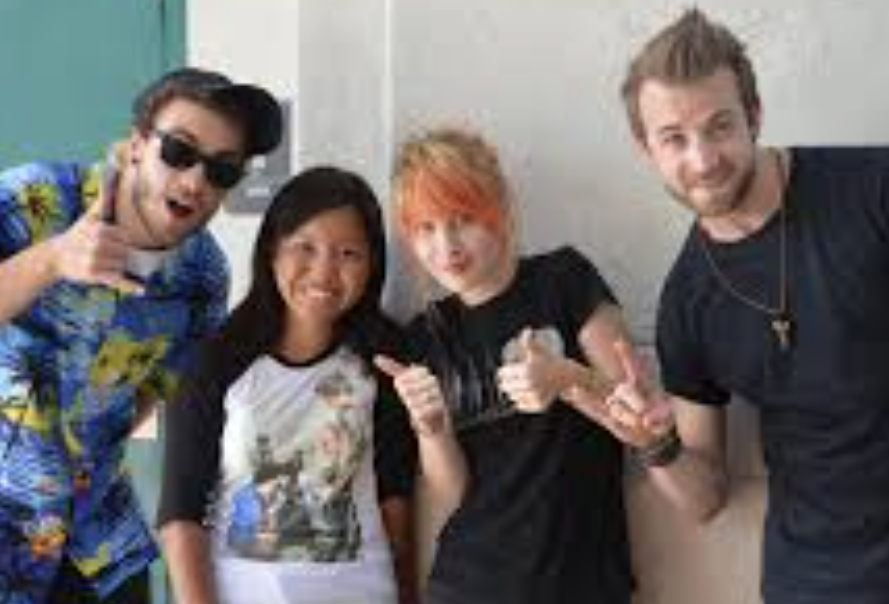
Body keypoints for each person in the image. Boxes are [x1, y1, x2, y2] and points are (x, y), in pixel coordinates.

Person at [616, 8, 889, 604]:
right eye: (674, 139)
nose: (702, 159)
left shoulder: (872, 187)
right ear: (646, 149)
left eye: (719, 127)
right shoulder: (686, 303)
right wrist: (654, 445)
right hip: (815, 578)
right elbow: (707, 498)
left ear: (755, 115)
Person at [0, 67, 283, 603]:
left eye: (221, 169)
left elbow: (153, 394)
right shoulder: (34, 200)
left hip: (97, 548)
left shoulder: (204, 277)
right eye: (179, 151)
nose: (194, 182)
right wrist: (51, 260)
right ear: (137, 146)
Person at [375, 127, 673, 604]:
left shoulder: (563, 279)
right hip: (468, 585)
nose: (447, 246)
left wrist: (568, 380)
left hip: (581, 584)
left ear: (500, 209)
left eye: (462, 219)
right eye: (425, 228)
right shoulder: (425, 337)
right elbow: (452, 494)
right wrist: (431, 429)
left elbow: (639, 419)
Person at [158, 166, 419, 604]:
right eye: (305, 247)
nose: (324, 271)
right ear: (272, 250)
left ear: (372, 265)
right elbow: (180, 514)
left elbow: (397, 498)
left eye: (348, 253)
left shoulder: (385, 358)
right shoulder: (215, 361)